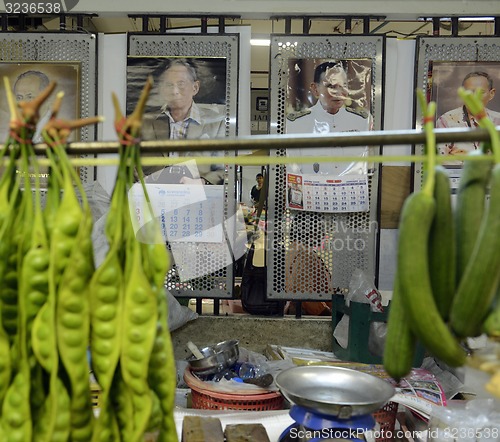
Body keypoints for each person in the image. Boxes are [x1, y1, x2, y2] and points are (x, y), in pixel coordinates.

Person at [141, 58, 226, 185]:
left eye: (181, 84)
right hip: (152, 199)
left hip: (197, 199)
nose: (175, 91)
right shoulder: (145, 122)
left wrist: (202, 182)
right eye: (169, 85)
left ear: (195, 87)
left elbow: (223, 170)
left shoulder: (215, 123)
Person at [286, 60, 373, 176]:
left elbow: (368, 167)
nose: (338, 93)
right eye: (331, 86)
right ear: (315, 88)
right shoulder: (297, 123)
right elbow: (292, 171)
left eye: (343, 86)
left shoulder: (361, 121)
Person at [436, 71, 500, 163]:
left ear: (491, 94)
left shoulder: (498, 120)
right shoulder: (446, 120)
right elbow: (440, 160)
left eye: (480, 92)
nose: (474, 97)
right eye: (469, 92)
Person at [13, 70, 51, 143]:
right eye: (19, 98)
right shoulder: (17, 127)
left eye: (30, 97)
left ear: (46, 97)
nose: (23, 103)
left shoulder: (56, 125)